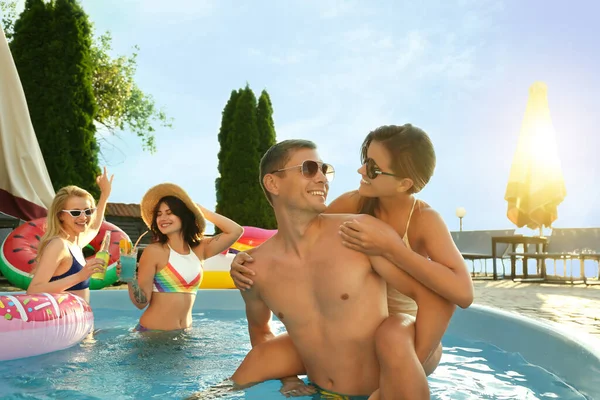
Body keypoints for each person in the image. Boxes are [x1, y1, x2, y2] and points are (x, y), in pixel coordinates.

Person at [229, 125, 473, 396]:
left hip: (409, 333)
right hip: (347, 333)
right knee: (255, 364)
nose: (324, 179)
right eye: (365, 161)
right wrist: (249, 259)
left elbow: (459, 294)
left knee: (393, 335)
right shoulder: (352, 210)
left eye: (372, 168)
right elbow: (300, 233)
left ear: (404, 183)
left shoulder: (420, 220)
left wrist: (394, 248)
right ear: (272, 182)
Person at [127, 183, 243, 332]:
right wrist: (130, 279)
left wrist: (200, 211)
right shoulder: (154, 251)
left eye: (169, 212)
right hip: (153, 336)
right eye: (159, 214)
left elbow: (235, 231)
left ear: (183, 215)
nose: (163, 218)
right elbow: (141, 303)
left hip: (184, 336)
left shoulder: (200, 249)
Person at [27, 167, 114, 304]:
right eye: (75, 212)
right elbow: (33, 290)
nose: (83, 217)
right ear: (61, 215)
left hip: (78, 322)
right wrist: (80, 276)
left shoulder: (76, 243)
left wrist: (105, 194)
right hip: (61, 324)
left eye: (87, 211)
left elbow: (95, 226)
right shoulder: (58, 245)